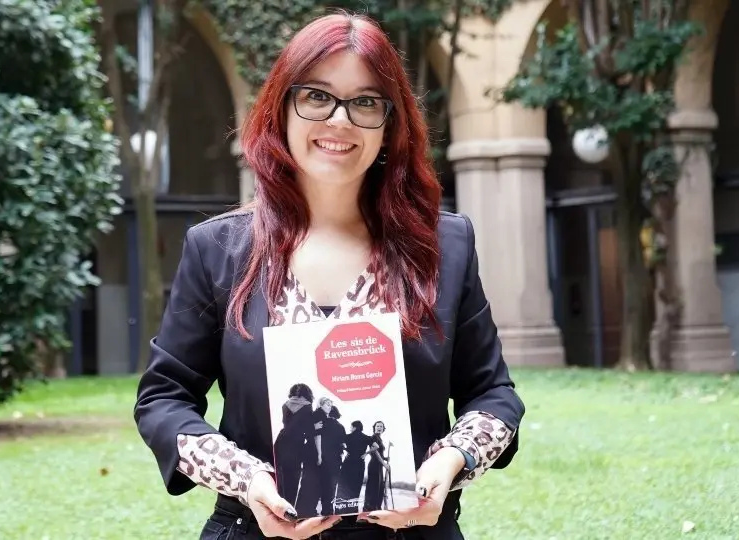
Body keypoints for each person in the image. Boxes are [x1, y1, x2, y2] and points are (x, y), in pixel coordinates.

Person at [135, 10, 526, 540]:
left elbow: (494, 395)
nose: (339, 120)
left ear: (390, 124)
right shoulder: (220, 249)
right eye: (316, 96)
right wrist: (246, 479)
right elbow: (164, 399)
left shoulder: (445, 245)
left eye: (365, 101)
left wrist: (452, 460)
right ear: (281, 109)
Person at [362, 421, 390, 512]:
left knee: (379, 487)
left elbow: (380, 454)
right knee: (373, 487)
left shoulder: (379, 438)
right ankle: (369, 509)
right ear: (374, 427)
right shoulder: (373, 437)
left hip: (379, 466)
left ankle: (376, 508)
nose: (379, 427)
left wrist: (385, 458)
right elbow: (375, 452)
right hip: (374, 465)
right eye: (377, 426)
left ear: (383, 429)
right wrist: (384, 463)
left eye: (381, 426)